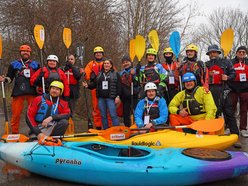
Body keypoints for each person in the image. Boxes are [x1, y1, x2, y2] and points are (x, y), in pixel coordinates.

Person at [205, 44, 241, 148]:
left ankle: (235, 137)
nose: (213, 54)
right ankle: (214, 137)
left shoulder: (226, 62)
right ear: (208, 54)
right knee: (213, 114)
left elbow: (233, 74)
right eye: (211, 52)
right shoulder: (206, 64)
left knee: (229, 114)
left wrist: (228, 77)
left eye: (214, 52)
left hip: (224, 90)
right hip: (211, 91)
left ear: (218, 53)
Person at [0, 44, 40, 134]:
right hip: (18, 92)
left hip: (32, 92)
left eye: (27, 51)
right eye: (23, 51)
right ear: (20, 52)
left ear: (30, 53)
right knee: (16, 114)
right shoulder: (14, 64)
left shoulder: (36, 65)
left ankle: (34, 132)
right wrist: (4, 79)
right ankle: (15, 133)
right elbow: (10, 77)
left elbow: (39, 78)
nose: (25, 52)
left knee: (33, 114)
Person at [26, 81, 70, 145]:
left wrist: (52, 117)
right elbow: (28, 116)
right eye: (53, 88)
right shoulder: (38, 100)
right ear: (50, 89)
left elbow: (67, 115)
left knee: (64, 122)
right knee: (36, 134)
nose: (54, 91)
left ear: (61, 92)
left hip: (52, 128)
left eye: (57, 89)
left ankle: (53, 140)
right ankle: (37, 138)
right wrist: (38, 133)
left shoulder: (63, 104)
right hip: (38, 128)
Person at [83, 59, 121, 130]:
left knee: (113, 115)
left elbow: (119, 86)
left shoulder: (115, 74)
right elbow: (95, 85)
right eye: (105, 64)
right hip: (101, 98)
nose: (106, 65)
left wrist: (118, 96)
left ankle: (117, 129)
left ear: (111, 65)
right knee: (103, 115)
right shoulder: (100, 74)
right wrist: (87, 85)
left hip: (111, 98)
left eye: (108, 63)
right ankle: (106, 130)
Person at [84, 46, 112, 129]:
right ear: (94, 54)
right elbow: (86, 75)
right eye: (97, 53)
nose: (98, 54)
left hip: (107, 89)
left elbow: (114, 73)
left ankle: (109, 126)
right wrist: (84, 74)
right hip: (95, 88)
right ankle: (98, 126)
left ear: (102, 54)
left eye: (100, 53)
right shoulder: (90, 64)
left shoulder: (107, 63)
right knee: (96, 108)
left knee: (108, 108)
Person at [229, 46, 248, 137]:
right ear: (236, 53)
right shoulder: (231, 62)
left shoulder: (247, 62)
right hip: (233, 89)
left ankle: (243, 128)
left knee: (244, 110)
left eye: (243, 52)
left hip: (245, 90)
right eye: (239, 52)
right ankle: (230, 127)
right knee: (231, 109)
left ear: (245, 53)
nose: (241, 53)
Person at [119, 55, 139, 127]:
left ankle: (137, 126)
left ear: (130, 62)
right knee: (126, 114)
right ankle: (127, 127)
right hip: (125, 97)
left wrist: (134, 75)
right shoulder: (120, 73)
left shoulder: (136, 71)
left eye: (127, 62)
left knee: (136, 112)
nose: (125, 64)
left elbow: (139, 81)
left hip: (134, 95)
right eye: (124, 63)